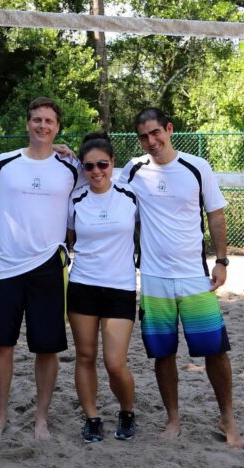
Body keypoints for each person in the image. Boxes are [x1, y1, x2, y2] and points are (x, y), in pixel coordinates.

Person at [119, 107, 244, 449]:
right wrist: (71, 158)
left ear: (169, 129)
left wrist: (221, 261)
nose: (151, 141)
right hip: (154, 278)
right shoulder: (133, 170)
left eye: (156, 132)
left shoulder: (196, 166)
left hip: (193, 277)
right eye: (143, 136)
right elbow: (100, 183)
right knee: (164, 353)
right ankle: (172, 418)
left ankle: (228, 417)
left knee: (215, 351)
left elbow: (215, 215)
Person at [0, 97, 80, 440]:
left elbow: (98, 193)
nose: (42, 126)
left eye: (49, 121)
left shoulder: (71, 167)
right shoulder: (2, 164)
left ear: (58, 127)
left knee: (47, 347)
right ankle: (1, 415)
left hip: (49, 267)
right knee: (1, 345)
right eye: (36, 119)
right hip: (5, 265)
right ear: (27, 124)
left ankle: (41, 419)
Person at [67, 132, 137, 443]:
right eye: (89, 166)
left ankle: (127, 410)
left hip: (120, 287)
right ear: (82, 167)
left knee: (114, 362)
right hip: (82, 285)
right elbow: (68, 239)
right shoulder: (76, 198)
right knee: (84, 355)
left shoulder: (131, 194)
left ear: (113, 163)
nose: (96, 172)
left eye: (102, 164)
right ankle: (92, 417)